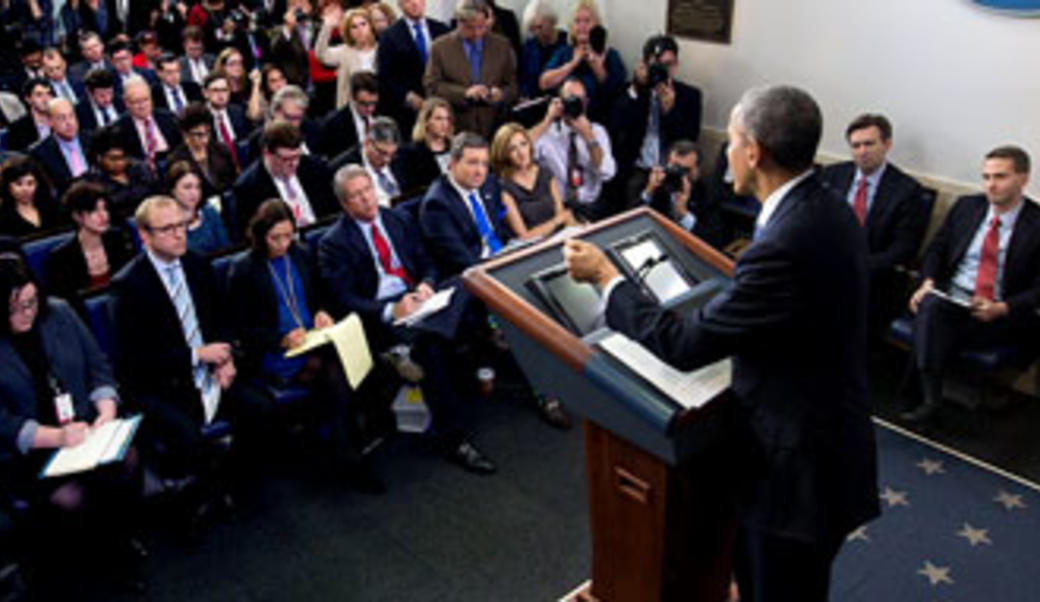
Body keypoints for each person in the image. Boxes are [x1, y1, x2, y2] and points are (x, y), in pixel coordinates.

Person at [564, 85, 879, 602]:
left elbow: (684, 343)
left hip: (796, 475)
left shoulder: (783, 241)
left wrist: (605, 278)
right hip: (830, 444)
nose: (725, 152)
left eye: (731, 139)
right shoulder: (826, 205)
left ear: (753, 151)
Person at [319, 164, 497, 474]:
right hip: (381, 315)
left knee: (466, 282)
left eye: (368, 190)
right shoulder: (333, 243)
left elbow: (426, 261)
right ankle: (453, 440)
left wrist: (426, 284)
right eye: (357, 196)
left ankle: (430, 336)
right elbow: (345, 299)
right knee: (431, 347)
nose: (367, 199)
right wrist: (391, 310)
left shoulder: (397, 218)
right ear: (345, 205)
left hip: (418, 298)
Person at [109, 196, 269, 523]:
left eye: (182, 225)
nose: (179, 234)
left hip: (210, 370)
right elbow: (136, 359)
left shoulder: (197, 265)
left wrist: (226, 357)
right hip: (163, 384)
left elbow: (222, 318)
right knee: (187, 437)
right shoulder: (128, 286)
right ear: (145, 235)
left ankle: (232, 481)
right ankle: (193, 499)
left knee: (261, 409)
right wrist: (196, 355)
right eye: (167, 229)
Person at [0, 254, 144, 593]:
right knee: (70, 500)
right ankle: (90, 559)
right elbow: (3, 422)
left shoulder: (60, 313)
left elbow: (98, 366)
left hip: (84, 427)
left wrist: (106, 409)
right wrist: (56, 436)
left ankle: (121, 542)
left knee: (129, 461)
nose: (27, 314)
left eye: (31, 303)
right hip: (31, 449)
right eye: (15, 308)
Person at [228, 199, 384, 492]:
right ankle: (350, 454)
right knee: (333, 373)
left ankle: (339, 441)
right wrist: (279, 339)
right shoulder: (244, 270)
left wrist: (322, 312)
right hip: (278, 350)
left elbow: (320, 296)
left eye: (288, 235)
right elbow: (242, 329)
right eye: (275, 237)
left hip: (312, 337)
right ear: (260, 235)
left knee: (356, 357)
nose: (283, 244)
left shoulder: (301, 254)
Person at [904, 145, 1040, 423]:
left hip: (1000, 311)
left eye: (1000, 177)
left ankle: (922, 391)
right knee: (931, 305)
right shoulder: (968, 207)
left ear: (1023, 179)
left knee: (930, 317)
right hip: (953, 299)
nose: (991, 185)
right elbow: (936, 250)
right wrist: (927, 282)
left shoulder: (1036, 223)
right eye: (986, 177)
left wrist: (1002, 307)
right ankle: (933, 398)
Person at [820, 114, 929, 338]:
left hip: (873, 276)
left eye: (869, 144)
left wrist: (857, 266)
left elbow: (904, 248)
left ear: (887, 145)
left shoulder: (907, 191)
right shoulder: (832, 175)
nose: (862, 151)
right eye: (856, 145)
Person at [611, 34, 702, 215]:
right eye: (658, 64)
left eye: (669, 64)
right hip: (638, 170)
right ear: (645, 64)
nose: (663, 70)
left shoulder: (690, 96)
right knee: (632, 197)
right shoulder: (630, 92)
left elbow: (689, 143)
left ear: (676, 65)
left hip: (672, 171)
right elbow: (617, 129)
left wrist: (669, 112)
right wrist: (638, 89)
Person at [420, 132, 511, 278]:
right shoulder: (437, 205)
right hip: (475, 276)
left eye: (484, 164)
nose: (480, 172)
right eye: (472, 163)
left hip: (503, 259)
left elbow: (501, 230)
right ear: (454, 162)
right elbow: (461, 261)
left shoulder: (489, 184)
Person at [423, 0, 518, 140]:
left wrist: (501, 94)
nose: (476, 33)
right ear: (459, 23)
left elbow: (513, 86)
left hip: (494, 126)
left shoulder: (502, 46)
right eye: (470, 28)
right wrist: (464, 93)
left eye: (481, 27)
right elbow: (431, 85)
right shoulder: (440, 47)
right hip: (456, 127)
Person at [530, 77, 616, 221]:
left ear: (586, 103)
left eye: (579, 100)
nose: (574, 104)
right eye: (570, 99)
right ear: (559, 101)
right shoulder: (547, 132)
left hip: (590, 205)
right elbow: (518, 150)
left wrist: (588, 136)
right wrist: (548, 119)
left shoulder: (597, 132)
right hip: (557, 206)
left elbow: (607, 173)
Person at [232, 121, 337, 236]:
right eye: (286, 159)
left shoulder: (315, 167)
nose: (294, 164)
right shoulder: (248, 188)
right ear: (267, 153)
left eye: (297, 157)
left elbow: (332, 212)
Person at [45, 182, 135, 305]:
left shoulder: (119, 240)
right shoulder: (61, 257)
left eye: (104, 209)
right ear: (77, 216)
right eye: (94, 210)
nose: (103, 216)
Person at [537, 0, 625, 122]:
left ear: (597, 24)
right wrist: (572, 64)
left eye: (587, 21)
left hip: (598, 121)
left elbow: (616, 91)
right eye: (577, 21)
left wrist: (596, 66)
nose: (582, 26)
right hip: (564, 120)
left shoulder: (610, 54)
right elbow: (544, 83)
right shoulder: (563, 52)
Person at [490, 121, 575, 239]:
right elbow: (524, 236)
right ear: (504, 155)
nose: (521, 153)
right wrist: (556, 222)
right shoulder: (504, 188)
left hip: (560, 237)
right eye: (512, 149)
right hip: (534, 248)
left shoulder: (545, 173)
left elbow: (562, 215)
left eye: (523, 144)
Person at [376, 0, 450, 134]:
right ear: (400, 5)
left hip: (441, 103)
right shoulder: (389, 36)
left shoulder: (442, 29)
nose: (415, 3)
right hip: (408, 112)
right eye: (408, 1)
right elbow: (385, 76)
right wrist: (407, 96)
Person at [636, 140, 725, 249]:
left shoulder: (708, 194)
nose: (678, 174)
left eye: (685, 170)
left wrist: (684, 215)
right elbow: (628, 221)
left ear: (697, 171)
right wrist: (649, 191)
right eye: (674, 167)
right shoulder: (655, 183)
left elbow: (714, 242)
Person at [330, 117, 408, 205]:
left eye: (392, 154)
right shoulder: (341, 168)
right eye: (381, 153)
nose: (387, 160)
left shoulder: (405, 157)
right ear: (367, 142)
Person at [85, 126, 159, 219]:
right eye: (113, 159)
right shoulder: (92, 182)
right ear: (99, 157)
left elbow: (154, 192)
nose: (120, 162)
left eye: (123, 157)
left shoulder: (139, 168)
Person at [315, 4, 379, 110]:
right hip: (349, 110)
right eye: (354, 27)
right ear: (348, 32)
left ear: (370, 26)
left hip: (378, 109)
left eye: (363, 24)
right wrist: (327, 28)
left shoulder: (381, 50)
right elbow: (321, 55)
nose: (360, 29)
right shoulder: (344, 51)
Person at [168, 102, 238, 199]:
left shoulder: (221, 150)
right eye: (198, 135)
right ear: (185, 135)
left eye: (207, 133)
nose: (205, 139)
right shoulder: (176, 159)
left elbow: (233, 180)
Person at [29, 98, 91, 199]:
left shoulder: (92, 139)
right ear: (49, 122)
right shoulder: (40, 153)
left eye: (71, 116)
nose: (69, 122)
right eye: (62, 118)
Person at [115, 76, 182, 169]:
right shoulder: (119, 128)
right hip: (143, 170)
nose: (142, 106)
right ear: (126, 103)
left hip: (172, 164)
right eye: (136, 102)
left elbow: (181, 147)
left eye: (146, 100)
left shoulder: (169, 117)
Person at [166, 161, 231, 255]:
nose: (194, 193)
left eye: (198, 187)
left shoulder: (209, 212)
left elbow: (226, 249)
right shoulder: (167, 223)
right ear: (173, 190)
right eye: (187, 187)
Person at [319, 71, 382, 158]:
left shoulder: (381, 118)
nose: (370, 109)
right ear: (353, 98)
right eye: (364, 104)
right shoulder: (335, 124)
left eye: (373, 103)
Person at [397, 96, 455, 191]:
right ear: (426, 121)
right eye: (438, 119)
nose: (445, 124)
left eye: (447, 119)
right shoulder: (411, 153)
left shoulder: (456, 149)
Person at [0, 156, 61, 238]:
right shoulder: (3, 216)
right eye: (18, 184)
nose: (25, 189)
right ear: (8, 186)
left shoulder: (51, 206)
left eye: (30, 183)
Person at [519, 0, 567, 99]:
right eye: (532, 29)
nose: (537, 33)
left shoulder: (567, 42)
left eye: (540, 27)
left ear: (552, 21)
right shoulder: (529, 47)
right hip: (535, 102)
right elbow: (524, 78)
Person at [6, 78, 54, 152]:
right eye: (39, 95)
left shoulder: (60, 119)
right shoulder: (17, 129)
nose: (46, 99)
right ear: (28, 99)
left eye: (48, 94)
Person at [76, 68, 124, 134]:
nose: (107, 99)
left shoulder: (122, 103)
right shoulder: (80, 112)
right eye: (101, 95)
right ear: (89, 93)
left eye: (110, 93)